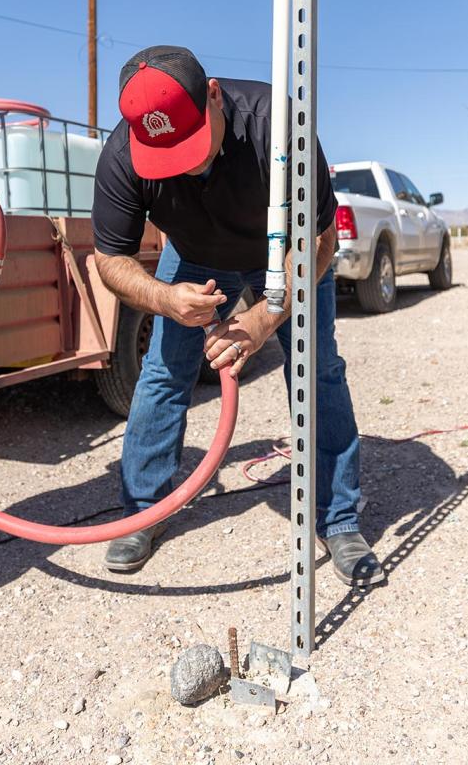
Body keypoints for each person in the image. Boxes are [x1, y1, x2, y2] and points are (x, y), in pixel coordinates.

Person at [91, 45, 385, 586]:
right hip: (195, 251)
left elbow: (322, 240)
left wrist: (264, 318)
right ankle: (144, 510)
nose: (191, 163)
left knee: (316, 370)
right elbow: (108, 258)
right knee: (164, 372)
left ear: (214, 95)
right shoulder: (123, 153)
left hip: (285, 250)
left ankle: (338, 518)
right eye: (171, 155)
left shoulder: (279, 125)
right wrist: (164, 298)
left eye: (195, 145)